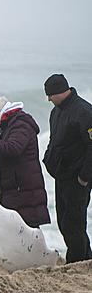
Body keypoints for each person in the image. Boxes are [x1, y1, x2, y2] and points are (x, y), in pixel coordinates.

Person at [42, 74, 92, 263]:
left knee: (74, 223)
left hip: (78, 178)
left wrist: (85, 177)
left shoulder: (84, 111)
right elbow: (54, 140)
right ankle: (87, 258)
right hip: (61, 176)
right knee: (64, 222)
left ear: (60, 92)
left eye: (49, 95)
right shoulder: (56, 111)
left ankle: (76, 262)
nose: (48, 100)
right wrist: (48, 159)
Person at [0, 97, 50, 229]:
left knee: (29, 230)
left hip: (24, 190)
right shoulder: (11, 125)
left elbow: (12, 149)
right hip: (18, 190)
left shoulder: (20, 125)